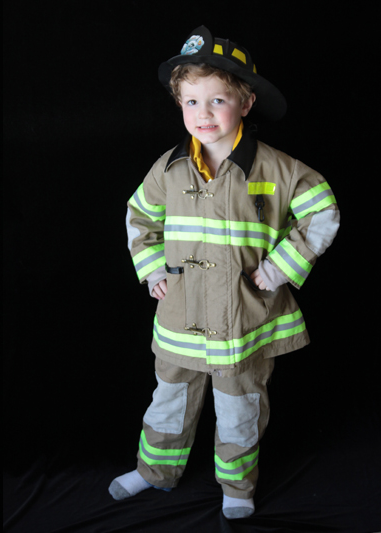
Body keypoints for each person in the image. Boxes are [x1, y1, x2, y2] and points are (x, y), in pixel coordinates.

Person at [111, 26, 338, 519]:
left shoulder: (279, 169)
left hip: (244, 318)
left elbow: (323, 212)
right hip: (180, 316)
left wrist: (280, 268)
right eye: (191, 103)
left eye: (217, 101)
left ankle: (237, 485)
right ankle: (155, 472)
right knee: (168, 399)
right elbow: (138, 218)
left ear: (246, 103)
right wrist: (152, 272)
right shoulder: (168, 169)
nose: (203, 114)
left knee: (240, 407)